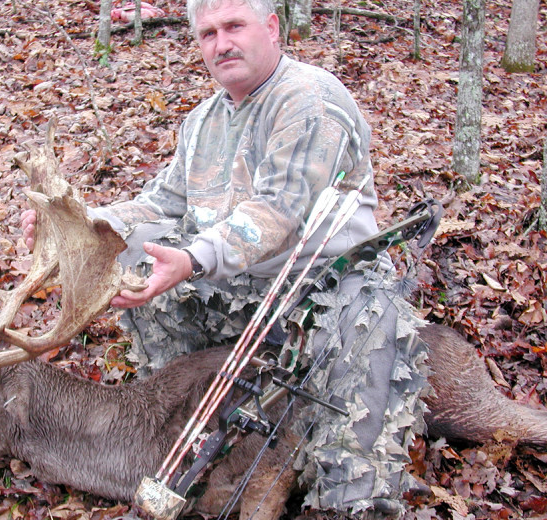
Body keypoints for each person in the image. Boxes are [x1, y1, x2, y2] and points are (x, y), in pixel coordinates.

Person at [21, 0, 428, 518]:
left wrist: (191, 258)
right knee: (139, 256)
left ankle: (351, 495)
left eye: (234, 26)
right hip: (241, 286)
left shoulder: (310, 100)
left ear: (272, 28)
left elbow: (278, 210)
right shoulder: (204, 120)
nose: (221, 43)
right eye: (208, 33)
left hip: (324, 287)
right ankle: (177, 419)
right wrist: (76, 223)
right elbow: (161, 203)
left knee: (373, 326)